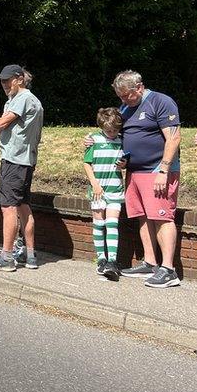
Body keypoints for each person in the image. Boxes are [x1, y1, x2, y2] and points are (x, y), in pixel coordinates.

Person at [99, 70, 183, 288]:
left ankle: (168, 269)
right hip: (134, 172)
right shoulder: (126, 107)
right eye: (120, 96)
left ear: (139, 87)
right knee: (143, 216)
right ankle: (150, 261)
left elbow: (173, 137)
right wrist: (93, 141)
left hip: (157, 170)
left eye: (127, 95)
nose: (123, 100)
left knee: (162, 216)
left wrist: (163, 169)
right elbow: (114, 132)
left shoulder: (160, 102)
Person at [0, 65, 44, 272]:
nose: (4, 84)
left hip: (14, 160)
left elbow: (1, 123)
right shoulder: (27, 99)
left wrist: (0, 122)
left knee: (8, 208)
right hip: (25, 160)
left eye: (7, 80)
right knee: (24, 206)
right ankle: (31, 255)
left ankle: (7, 257)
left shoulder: (22, 99)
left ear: (19, 79)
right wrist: (1, 124)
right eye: (1, 81)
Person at [83, 108, 126, 281]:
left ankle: (112, 261)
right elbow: (87, 164)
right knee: (99, 224)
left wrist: (123, 165)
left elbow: (125, 162)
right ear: (102, 126)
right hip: (97, 190)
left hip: (115, 188)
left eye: (115, 130)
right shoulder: (93, 140)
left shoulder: (122, 141)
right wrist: (95, 185)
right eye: (109, 130)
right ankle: (101, 258)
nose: (112, 133)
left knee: (112, 223)